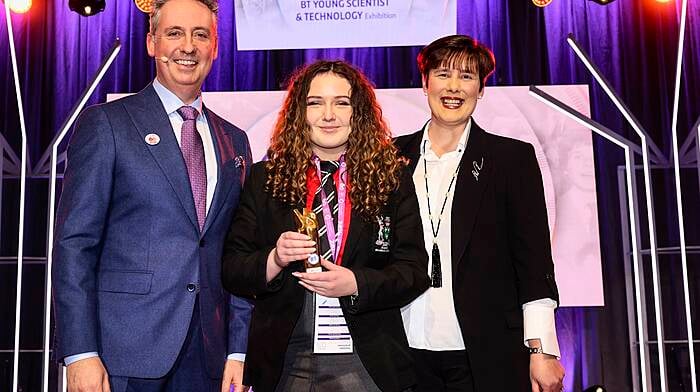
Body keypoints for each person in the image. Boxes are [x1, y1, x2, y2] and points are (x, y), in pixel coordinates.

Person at [52, 0, 252, 391]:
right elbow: (75, 245)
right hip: (121, 355)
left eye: (201, 35)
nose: (188, 47)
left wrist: (239, 350)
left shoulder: (235, 140)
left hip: (209, 356)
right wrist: (80, 353)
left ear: (215, 47)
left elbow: (238, 253)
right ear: (151, 43)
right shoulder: (107, 124)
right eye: (174, 33)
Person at [221, 60, 429, 392]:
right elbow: (232, 268)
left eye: (341, 103)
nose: (328, 115)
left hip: (368, 359)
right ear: (299, 114)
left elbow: (415, 271)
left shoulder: (390, 179)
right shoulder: (265, 180)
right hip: (286, 361)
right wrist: (275, 258)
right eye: (315, 103)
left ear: (357, 112)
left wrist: (355, 282)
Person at [395, 34, 566, 392]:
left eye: (467, 77)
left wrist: (542, 349)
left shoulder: (511, 160)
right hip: (401, 348)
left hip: (484, 351)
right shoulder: (391, 158)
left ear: (481, 89)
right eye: (443, 74)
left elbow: (533, 261)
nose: (453, 87)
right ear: (424, 83)